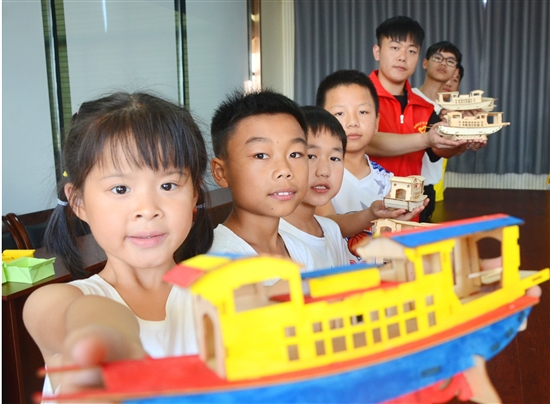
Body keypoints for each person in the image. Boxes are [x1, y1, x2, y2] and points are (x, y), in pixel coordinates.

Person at [22, 92, 214, 397]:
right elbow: (79, 318)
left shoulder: (220, 293)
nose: (147, 209)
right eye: (120, 189)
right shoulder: (56, 300)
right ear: (79, 202)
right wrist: (109, 342)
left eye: (168, 185)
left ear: (194, 195)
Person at [315, 69, 427, 262]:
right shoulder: (316, 174)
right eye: (340, 113)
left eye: (363, 112)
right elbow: (327, 225)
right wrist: (370, 214)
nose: (352, 122)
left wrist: (399, 220)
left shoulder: (389, 181)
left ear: (376, 122)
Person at [208, 89, 315, 270]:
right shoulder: (220, 264)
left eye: (295, 154)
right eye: (261, 155)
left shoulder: (299, 249)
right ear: (221, 172)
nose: (284, 170)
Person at [365, 16, 470, 179]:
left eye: (412, 51)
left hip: (412, 195)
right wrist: (425, 139)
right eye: (395, 47)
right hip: (365, 195)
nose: (402, 57)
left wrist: (461, 140)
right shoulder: (358, 96)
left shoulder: (424, 107)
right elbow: (366, 142)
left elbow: (438, 149)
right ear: (377, 52)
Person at [279, 106, 349, 269]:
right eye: (311, 156)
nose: (324, 171)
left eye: (334, 158)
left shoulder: (331, 230)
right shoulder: (272, 238)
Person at [412, 41, 463, 221]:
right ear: (425, 63)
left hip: (428, 188)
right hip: (401, 184)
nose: (443, 64)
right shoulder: (409, 99)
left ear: (455, 70)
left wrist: (463, 143)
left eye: (450, 61)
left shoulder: (450, 112)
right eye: (438, 58)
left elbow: (441, 152)